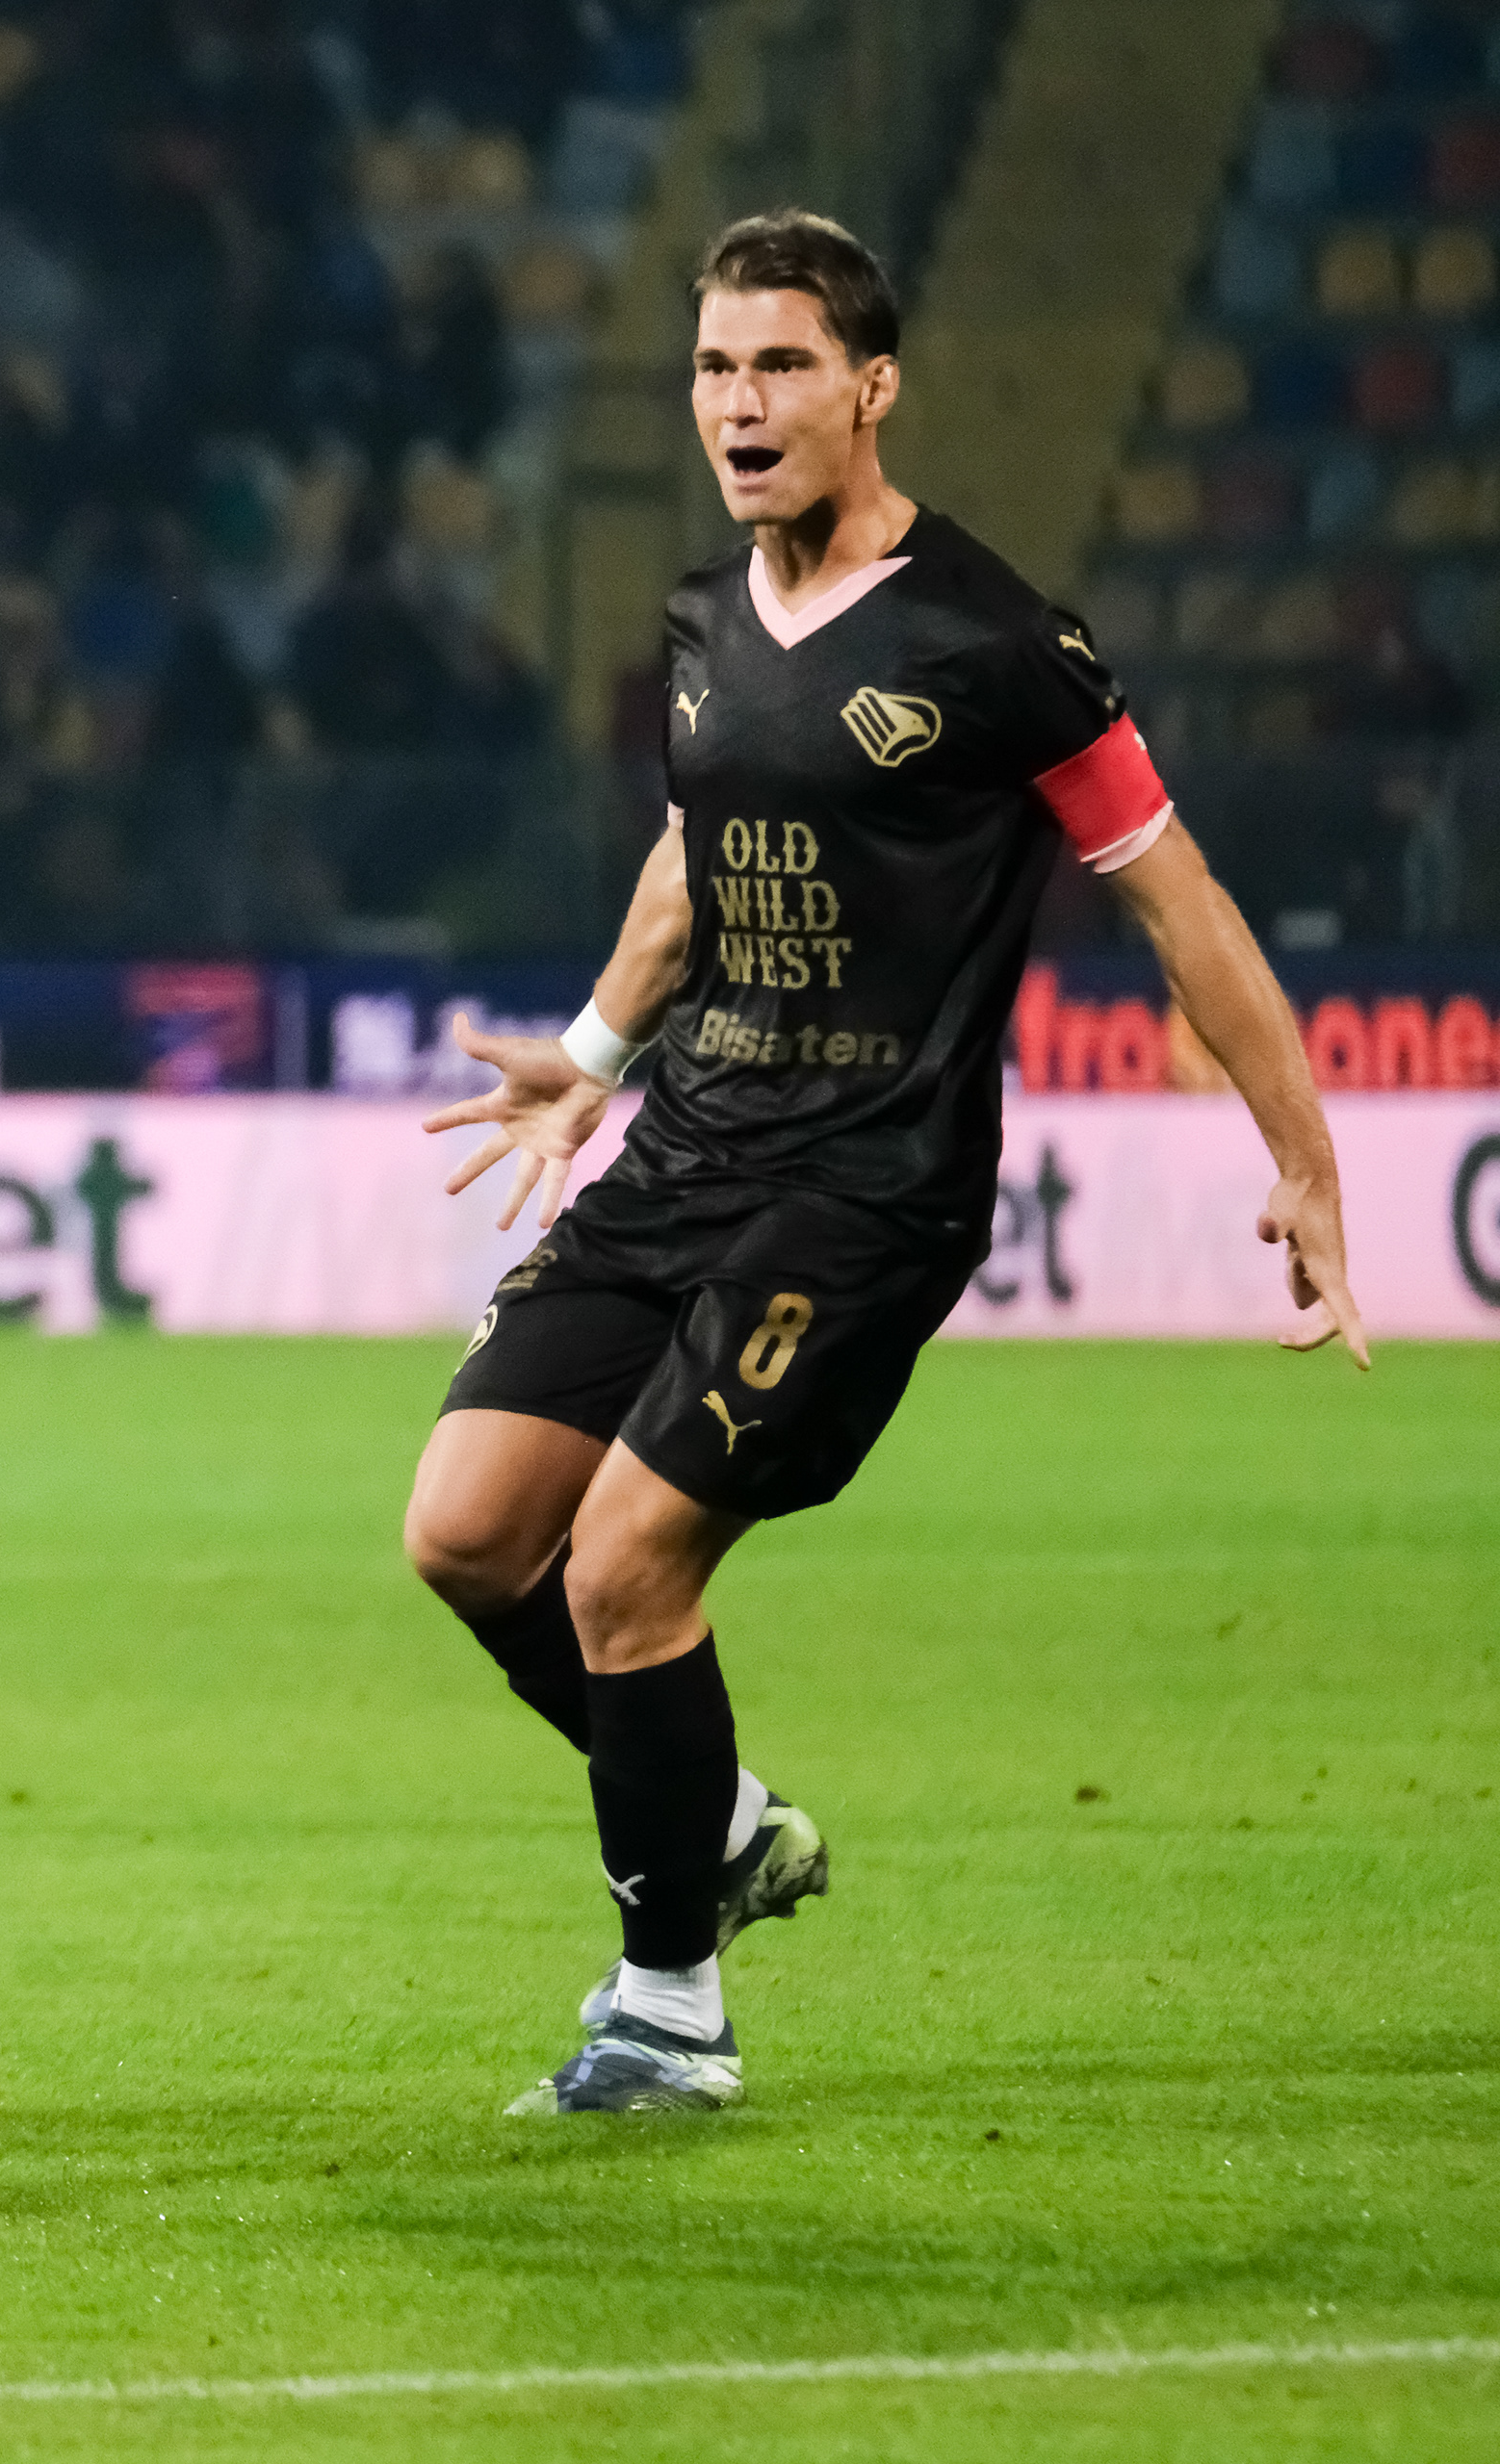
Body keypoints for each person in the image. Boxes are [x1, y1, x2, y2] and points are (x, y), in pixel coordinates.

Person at [401, 211, 1369, 2117]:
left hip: (864, 1191)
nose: (738, 407)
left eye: (778, 367)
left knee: (623, 1563)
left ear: (872, 385)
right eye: (711, 369)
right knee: (463, 1529)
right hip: (688, 1153)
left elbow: (1175, 896)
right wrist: (593, 1055)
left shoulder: (1000, 643)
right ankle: (726, 1817)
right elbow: (698, 861)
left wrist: (1308, 1154)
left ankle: (671, 2005)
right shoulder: (696, 627)